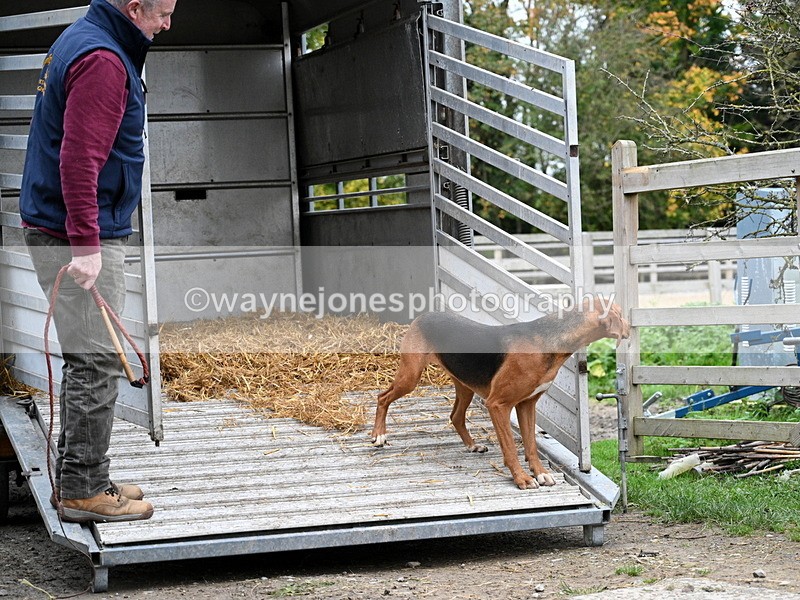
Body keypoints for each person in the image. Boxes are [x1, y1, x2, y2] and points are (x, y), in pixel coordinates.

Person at [19, 0, 177, 523]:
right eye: (162, 14)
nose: (167, 25)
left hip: (62, 225)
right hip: (77, 235)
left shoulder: (84, 37)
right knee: (96, 360)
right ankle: (84, 491)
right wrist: (86, 244)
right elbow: (79, 157)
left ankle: (83, 473)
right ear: (135, 9)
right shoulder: (104, 60)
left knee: (87, 356)